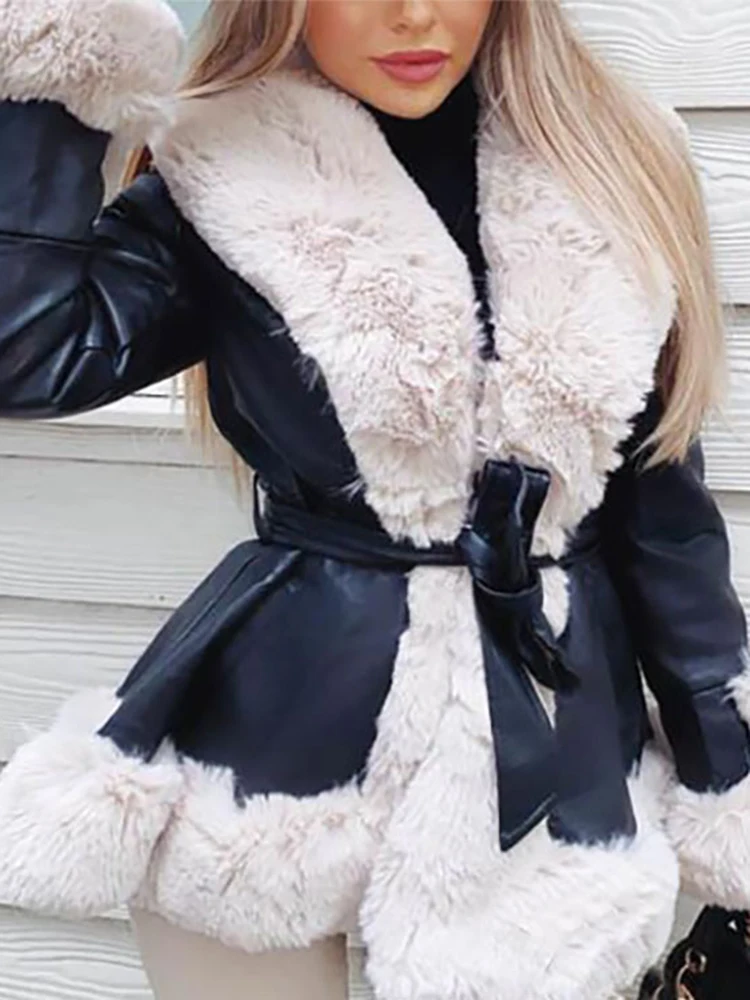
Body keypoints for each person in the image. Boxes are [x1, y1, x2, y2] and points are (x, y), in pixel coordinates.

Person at [0, 1, 748, 998]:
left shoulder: (614, 162)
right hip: (263, 751)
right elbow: (27, 350)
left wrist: (722, 769)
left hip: (547, 746)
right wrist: (56, 65)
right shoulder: (222, 164)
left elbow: (663, 515)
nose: (415, 15)